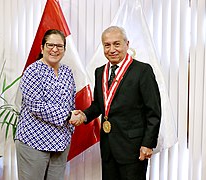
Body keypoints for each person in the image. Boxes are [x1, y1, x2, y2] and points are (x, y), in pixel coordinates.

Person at [70, 26, 161, 180]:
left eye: (116, 44)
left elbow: (153, 112)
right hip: (108, 148)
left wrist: (148, 144)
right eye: (107, 45)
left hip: (134, 149)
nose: (112, 49)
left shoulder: (142, 71)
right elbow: (100, 104)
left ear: (127, 44)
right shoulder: (100, 72)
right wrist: (84, 115)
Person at [15, 29, 77, 180]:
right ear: (42, 48)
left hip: (60, 142)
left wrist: (75, 118)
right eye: (50, 45)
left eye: (59, 46)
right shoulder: (32, 71)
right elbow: (36, 105)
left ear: (64, 49)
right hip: (34, 141)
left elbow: (71, 102)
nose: (55, 49)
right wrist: (68, 116)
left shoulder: (67, 72)